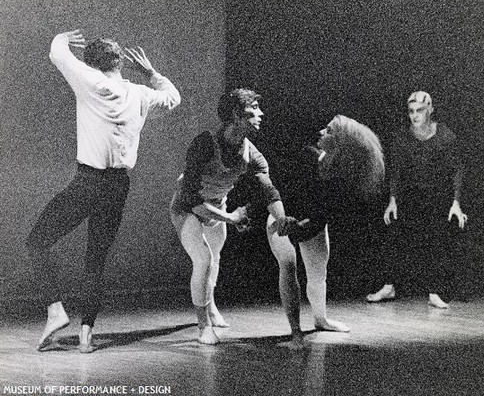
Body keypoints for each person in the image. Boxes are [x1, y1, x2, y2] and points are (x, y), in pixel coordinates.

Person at [26, 29, 181, 353]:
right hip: (117, 186)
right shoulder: (139, 94)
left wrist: (63, 37)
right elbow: (172, 96)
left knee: (37, 241)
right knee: (95, 260)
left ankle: (56, 311)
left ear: (93, 66)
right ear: (120, 62)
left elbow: (58, 53)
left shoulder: (92, 83)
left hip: (88, 182)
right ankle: (86, 335)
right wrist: (151, 73)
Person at [170, 88, 295, 345]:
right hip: (187, 208)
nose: (260, 114)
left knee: (214, 260)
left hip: (218, 207)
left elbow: (268, 190)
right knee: (203, 259)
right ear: (236, 116)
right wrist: (232, 218)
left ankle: (211, 305)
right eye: (254, 110)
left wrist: (281, 218)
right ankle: (203, 326)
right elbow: (193, 200)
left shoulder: (252, 154)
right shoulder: (204, 144)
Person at [266, 115, 385, 347]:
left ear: (341, 144)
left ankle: (320, 319)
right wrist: (283, 220)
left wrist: (301, 227)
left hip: (310, 223)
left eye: (329, 130)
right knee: (288, 266)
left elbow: (323, 215)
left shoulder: (342, 180)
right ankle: (295, 332)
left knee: (318, 275)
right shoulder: (305, 156)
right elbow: (278, 191)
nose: (321, 131)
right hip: (280, 217)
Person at [366, 91, 467, 308]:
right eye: (411, 111)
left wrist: (456, 202)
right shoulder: (402, 137)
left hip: (437, 197)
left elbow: (456, 170)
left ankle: (434, 292)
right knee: (393, 234)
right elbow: (396, 171)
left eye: (419, 110)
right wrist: (392, 200)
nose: (415, 115)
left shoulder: (445, 136)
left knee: (436, 240)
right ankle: (389, 286)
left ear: (430, 110)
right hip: (409, 196)